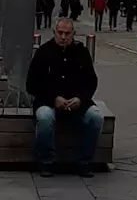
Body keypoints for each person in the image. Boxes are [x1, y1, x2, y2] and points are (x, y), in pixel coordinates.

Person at [26, 17, 103, 177]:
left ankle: (84, 162)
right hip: (48, 101)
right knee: (45, 117)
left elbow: (91, 81)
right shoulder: (44, 52)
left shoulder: (81, 51)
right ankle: (46, 162)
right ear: (54, 32)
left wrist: (80, 98)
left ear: (73, 34)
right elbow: (31, 84)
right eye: (60, 33)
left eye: (67, 33)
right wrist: (54, 98)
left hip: (77, 102)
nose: (63, 37)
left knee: (96, 117)